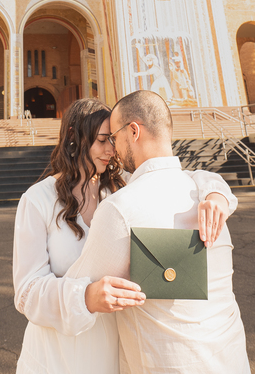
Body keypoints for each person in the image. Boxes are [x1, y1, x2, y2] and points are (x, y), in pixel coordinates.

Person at [12, 98, 236, 374]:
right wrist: (85, 297)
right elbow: (26, 292)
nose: (112, 150)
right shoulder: (38, 200)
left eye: (113, 140)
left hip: (114, 352)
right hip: (59, 353)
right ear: (74, 138)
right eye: (103, 140)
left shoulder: (120, 189)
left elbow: (175, 176)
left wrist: (217, 193)